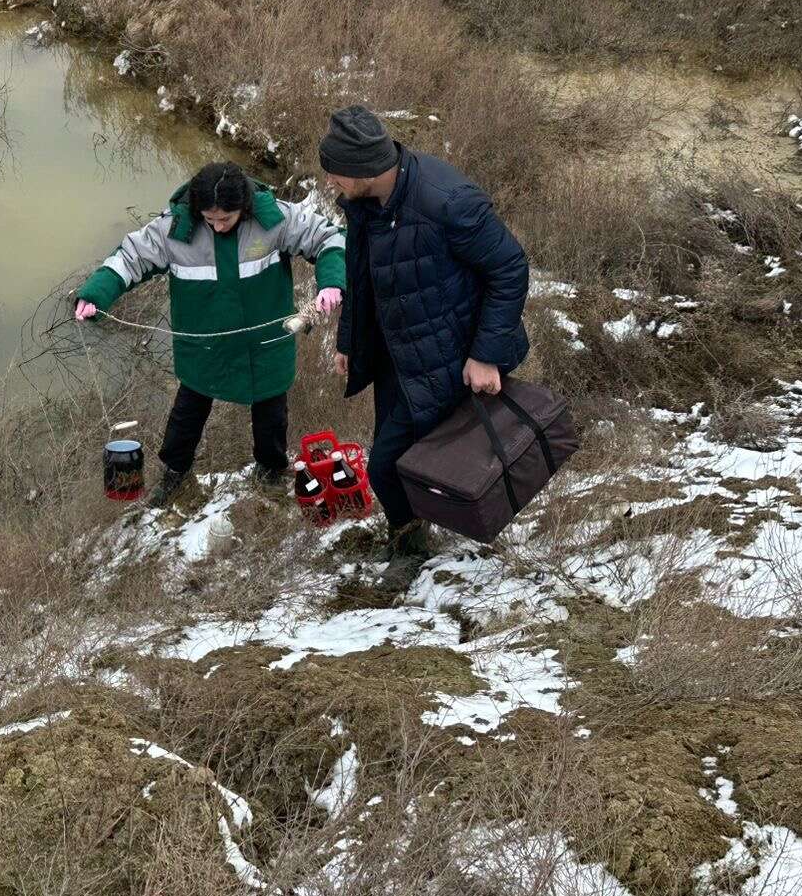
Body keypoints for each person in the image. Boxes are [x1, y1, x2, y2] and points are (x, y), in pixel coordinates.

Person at [322, 106, 530, 590]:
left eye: (333, 171)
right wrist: (349, 342)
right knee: (403, 459)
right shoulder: (364, 204)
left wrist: (486, 354)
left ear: (362, 169)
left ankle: (413, 547)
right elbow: (361, 277)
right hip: (399, 352)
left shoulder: (446, 201)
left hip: (447, 358)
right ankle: (415, 528)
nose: (329, 180)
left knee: (385, 465)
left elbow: (510, 269)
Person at [73, 161, 347, 506]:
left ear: (243, 208)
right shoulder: (173, 229)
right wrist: (96, 293)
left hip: (263, 346)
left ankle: (271, 471)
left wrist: (332, 282)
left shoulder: (274, 219)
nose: (217, 226)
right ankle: (175, 473)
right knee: (188, 412)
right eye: (209, 219)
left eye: (226, 219)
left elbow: (329, 237)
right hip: (204, 346)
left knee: (271, 413)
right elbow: (130, 258)